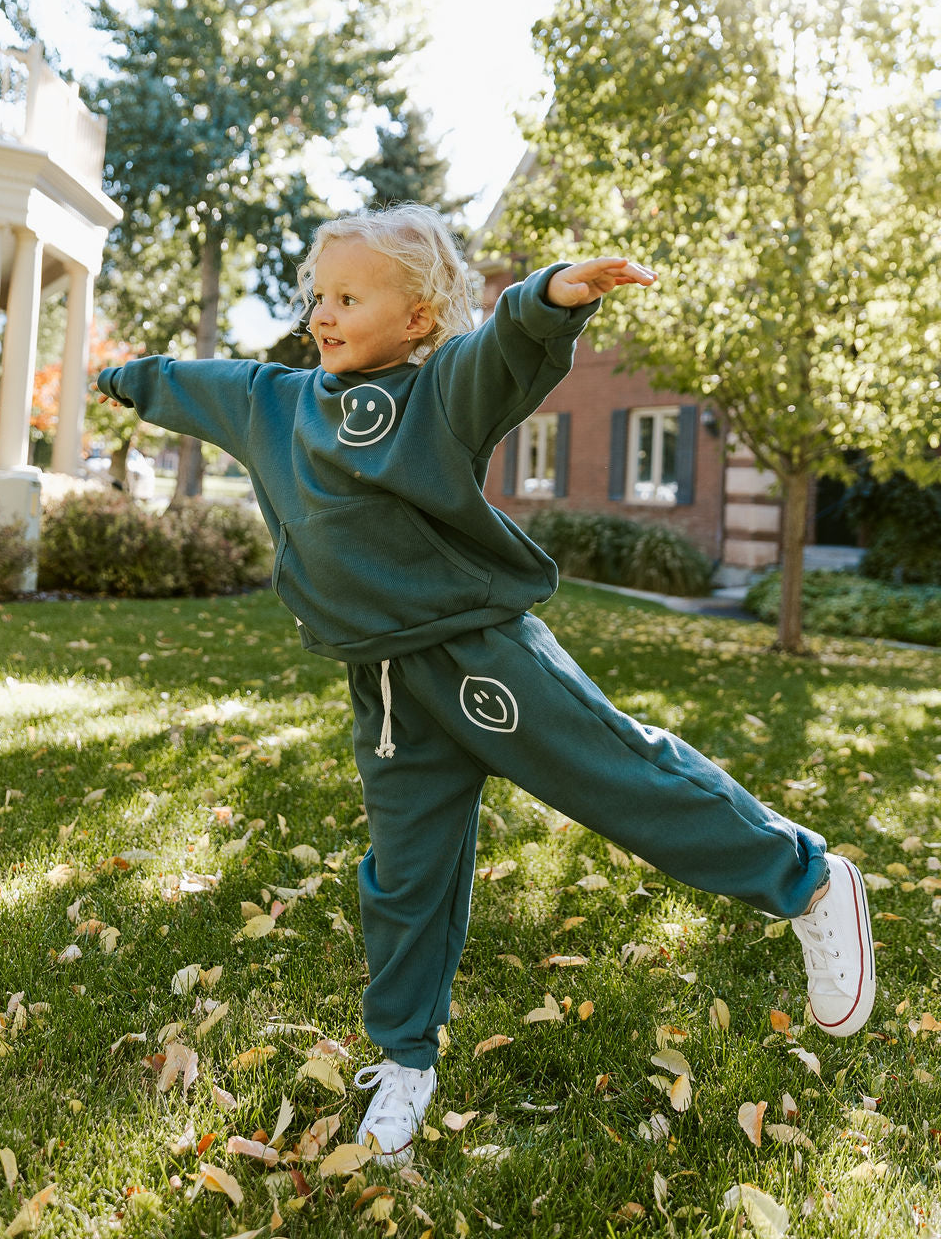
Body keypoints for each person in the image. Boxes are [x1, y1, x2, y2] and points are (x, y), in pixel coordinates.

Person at [96, 203, 875, 1166]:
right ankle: (406, 1060)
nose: (324, 315)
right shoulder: (275, 402)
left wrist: (548, 298)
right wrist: (124, 379)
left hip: (479, 658)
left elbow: (499, 349)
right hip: (383, 687)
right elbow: (192, 382)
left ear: (419, 317)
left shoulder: (435, 397)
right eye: (318, 297)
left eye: (349, 297)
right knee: (404, 875)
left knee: (620, 777)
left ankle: (807, 881)